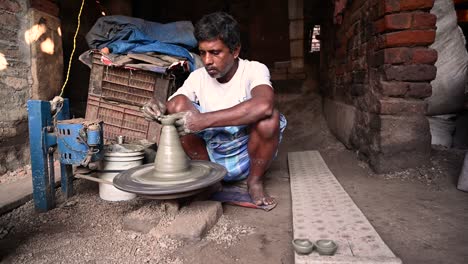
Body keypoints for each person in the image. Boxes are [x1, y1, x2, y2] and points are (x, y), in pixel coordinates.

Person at [142, 12, 287, 206]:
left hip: (248, 154)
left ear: (235, 51)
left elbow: (264, 104)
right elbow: (174, 105)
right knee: (177, 107)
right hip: (212, 155)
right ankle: (210, 180)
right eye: (202, 53)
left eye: (215, 52)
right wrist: (159, 106)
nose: (207, 60)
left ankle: (254, 182)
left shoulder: (254, 70)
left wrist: (204, 120)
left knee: (269, 118)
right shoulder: (197, 77)